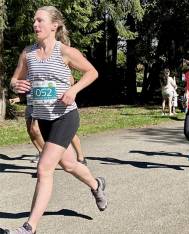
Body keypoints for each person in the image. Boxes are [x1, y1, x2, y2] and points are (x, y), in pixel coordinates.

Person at [1, 6, 107, 234]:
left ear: (54, 25)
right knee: (68, 164)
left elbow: (92, 72)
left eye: (40, 21)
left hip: (66, 116)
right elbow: (14, 79)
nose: (35, 25)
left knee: (44, 167)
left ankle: (30, 227)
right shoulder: (27, 53)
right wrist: (15, 85)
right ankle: (96, 185)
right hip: (44, 119)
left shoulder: (64, 51)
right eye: (34, 21)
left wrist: (74, 90)